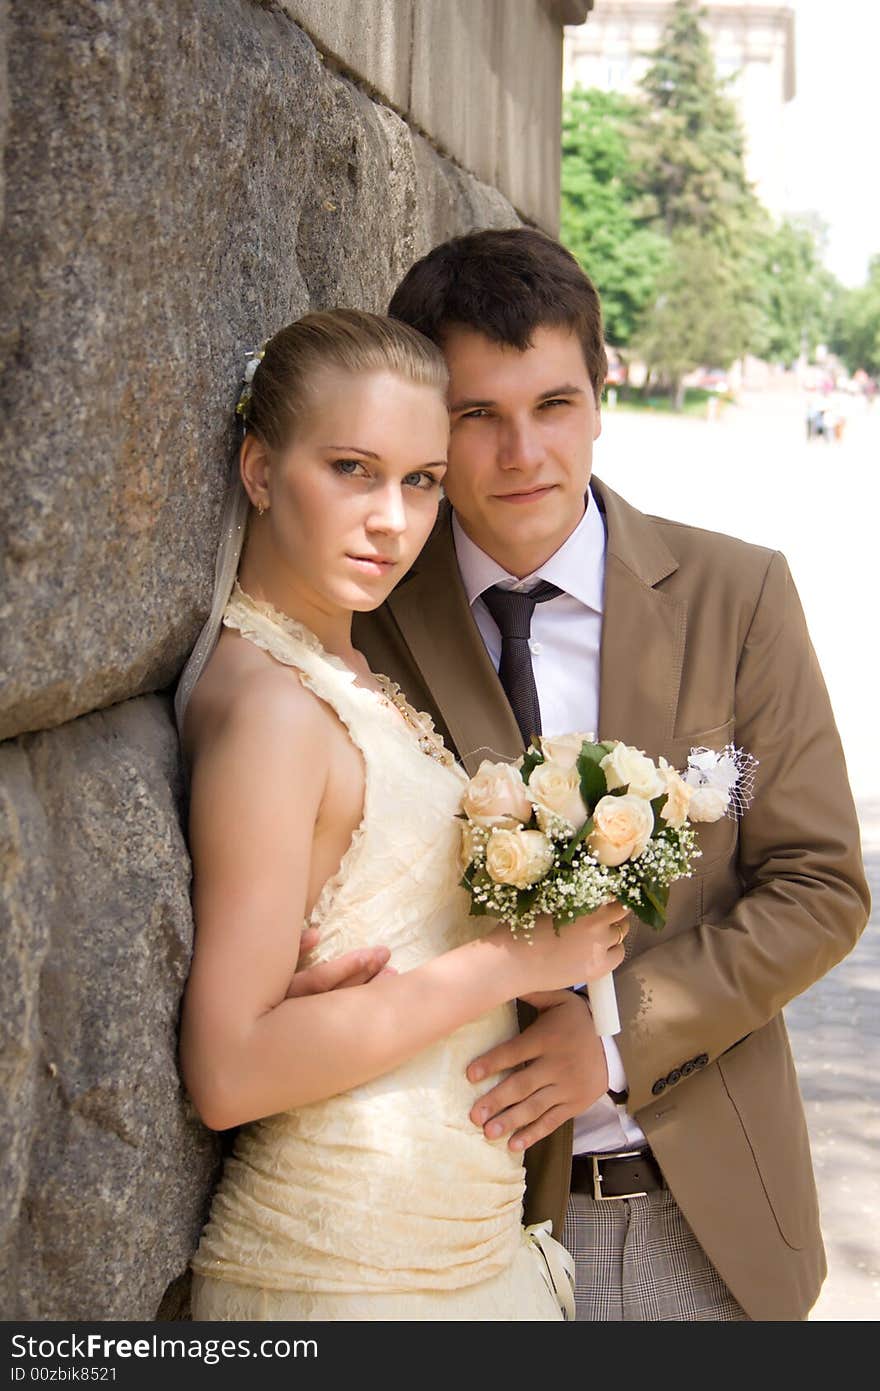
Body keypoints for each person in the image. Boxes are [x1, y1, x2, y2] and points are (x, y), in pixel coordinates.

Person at [350, 229, 870, 1321]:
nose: (520, 453)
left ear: (602, 387)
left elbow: (820, 885)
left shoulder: (739, 596)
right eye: (474, 415)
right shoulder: (372, 622)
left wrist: (618, 1034)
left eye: (551, 404)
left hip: (707, 1219)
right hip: (462, 1220)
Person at [174, 308, 629, 1321]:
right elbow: (229, 1067)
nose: (393, 519)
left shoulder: (349, 672)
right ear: (257, 470)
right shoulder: (273, 711)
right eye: (351, 469)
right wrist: (513, 963)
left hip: (454, 1255)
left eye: (421, 480)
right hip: (342, 1275)